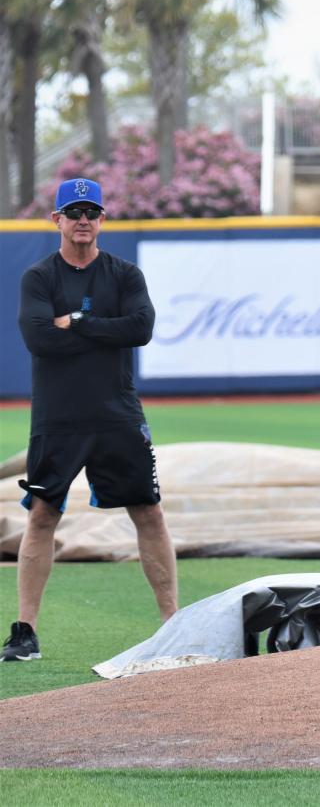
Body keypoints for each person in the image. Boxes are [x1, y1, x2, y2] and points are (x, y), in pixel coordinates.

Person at [2, 178, 178, 662]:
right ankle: (25, 633)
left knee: (149, 512)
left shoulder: (124, 275)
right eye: (73, 211)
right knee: (42, 516)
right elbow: (39, 339)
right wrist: (106, 332)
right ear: (56, 219)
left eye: (91, 211)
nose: (83, 219)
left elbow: (140, 329)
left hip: (117, 414)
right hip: (58, 417)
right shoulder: (39, 278)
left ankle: (172, 623)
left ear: (102, 219)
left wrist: (76, 323)